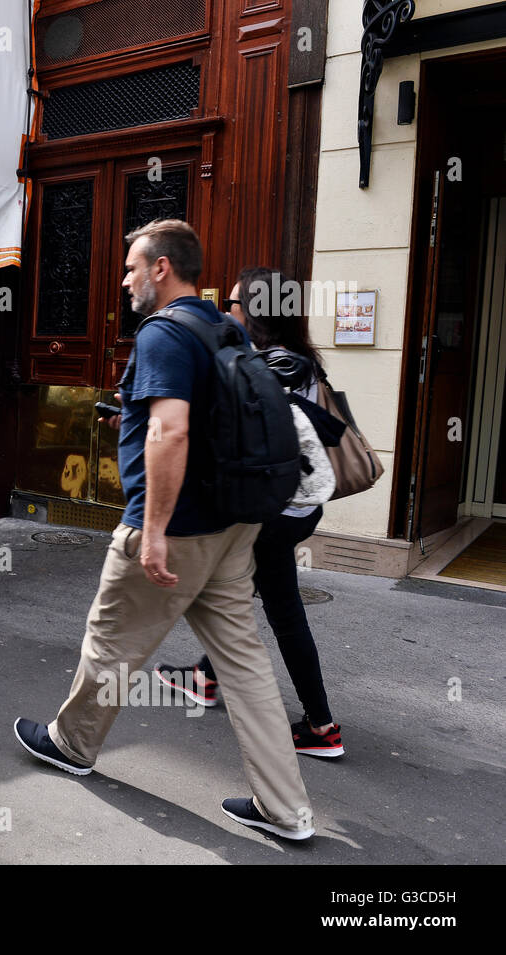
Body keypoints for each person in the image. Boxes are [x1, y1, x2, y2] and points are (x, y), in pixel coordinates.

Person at [13, 220, 315, 841]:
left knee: (110, 641)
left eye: (130, 267)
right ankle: (286, 809)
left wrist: (151, 531)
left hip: (177, 528)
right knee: (245, 665)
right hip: (234, 526)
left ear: (161, 269)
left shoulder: (163, 333)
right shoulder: (223, 327)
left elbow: (171, 431)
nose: (123, 279)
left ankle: (71, 743)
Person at [154, 267, 343, 758]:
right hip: (290, 506)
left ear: (256, 312)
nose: (225, 311)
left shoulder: (281, 365)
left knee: (267, 607)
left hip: (277, 510)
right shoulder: (291, 360)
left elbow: (235, 423)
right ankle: (206, 678)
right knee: (243, 596)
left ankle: (320, 727)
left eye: (233, 304)